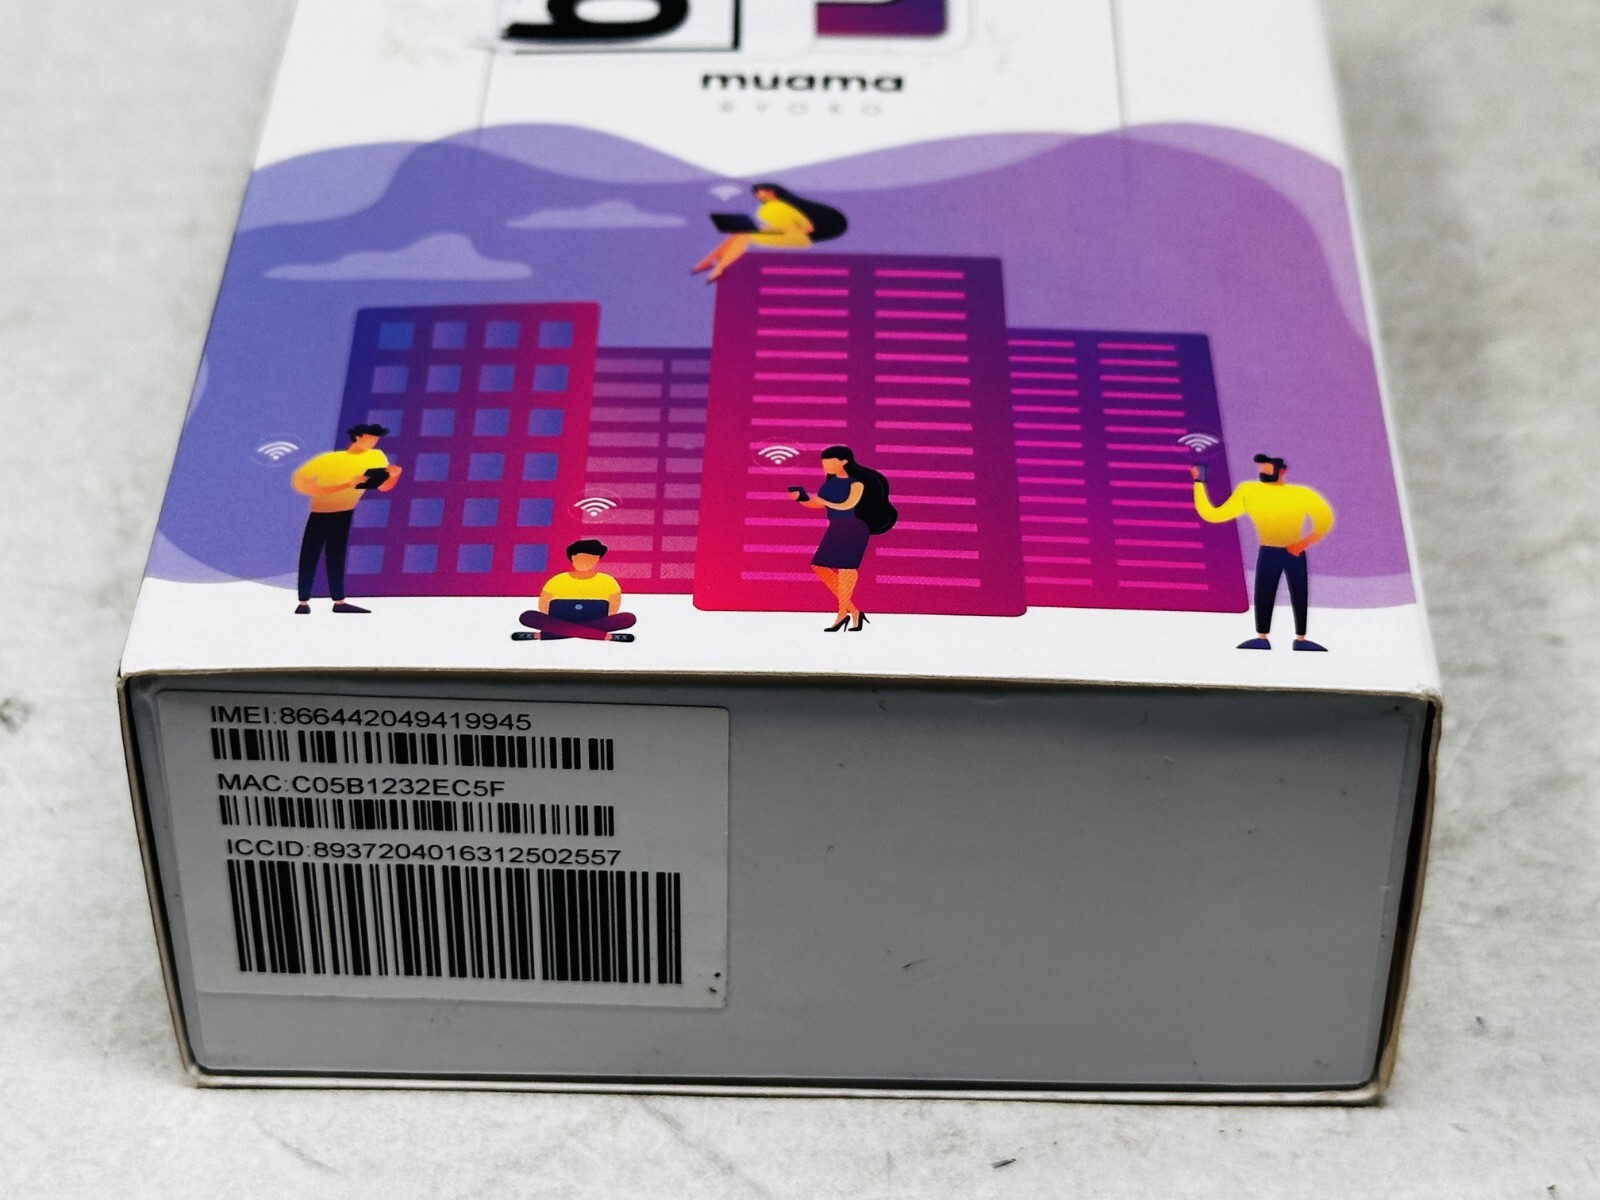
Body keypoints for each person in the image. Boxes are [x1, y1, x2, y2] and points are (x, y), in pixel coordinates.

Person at [1192, 453, 1335, 651]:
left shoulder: (1300, 493)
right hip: (1268, 550)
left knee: (1299, 592)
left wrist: (1302, 544)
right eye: (1261, 468)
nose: (1263, 471)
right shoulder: (1249, 491)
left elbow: (1324, 520)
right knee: (1264, 592)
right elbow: (1213, 514)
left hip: (1294, 551)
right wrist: (1199, 482)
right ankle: (1262, 637)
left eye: (1267, 467)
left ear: (1282, 471)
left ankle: (1301, 638)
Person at [290, 423, 401, 614]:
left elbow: (383, 487)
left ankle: (339, 601)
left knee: (336, 555)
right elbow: (301, 484)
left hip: (344, 512)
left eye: (376, 438)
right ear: (357, 437)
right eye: (370, 437)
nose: (374, 441)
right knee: (310, 554)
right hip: (320, 513)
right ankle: (303, 602)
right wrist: (345, 485)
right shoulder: (330, 459)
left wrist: (393, 476)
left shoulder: (376, 456)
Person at [794, 446, 888, 632]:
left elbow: (848, 504)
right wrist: (801, 499)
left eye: (829, 462)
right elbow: (818, 504)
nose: (825, 466)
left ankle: (842, 614)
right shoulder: (829, 484)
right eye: (823, 463)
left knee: (847, 569)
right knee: (819, 566)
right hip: (836, 527)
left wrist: (824, 501)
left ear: (843, 461)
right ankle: (853, 611)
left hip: (854, 527)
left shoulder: (856, 484)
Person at [692, 183, 848, 283]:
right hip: (784, 233)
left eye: (760, 192)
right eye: (756, 193)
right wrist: (767, 230)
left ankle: (718, 268)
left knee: (744, 235)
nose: (757, 196)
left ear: (771, 191)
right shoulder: (767, 208)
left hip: (799, 238)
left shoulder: (782, 206)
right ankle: (709, 262)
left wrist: (775, 231)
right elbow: (780, 225)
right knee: (739, 232)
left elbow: (807, 228)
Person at [511, 539, 637, 642]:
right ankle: (605, 636)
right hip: (559, 622)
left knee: (628, 618)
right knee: (528, 616)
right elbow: (544, 608)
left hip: (595, 622)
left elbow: (612, 611)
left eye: (590, 559)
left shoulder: (608, 581)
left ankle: (540, 635)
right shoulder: (557, 580)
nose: (585, 563)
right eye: (581, 558)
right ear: (572, 559)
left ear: (597, 560)